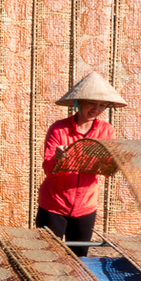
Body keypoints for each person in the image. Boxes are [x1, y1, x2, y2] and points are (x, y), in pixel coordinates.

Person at [37, 71, 125, 256]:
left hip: (85, 206)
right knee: (46, 255)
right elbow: (48, 169)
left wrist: (119, 160)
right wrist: (57, 159)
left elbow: (108, 169)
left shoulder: (107, 131)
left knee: (79, 258)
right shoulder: (58, 129)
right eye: (91, 103)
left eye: (102, 105)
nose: (96, 109)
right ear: (79, 103)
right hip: (54, 204)